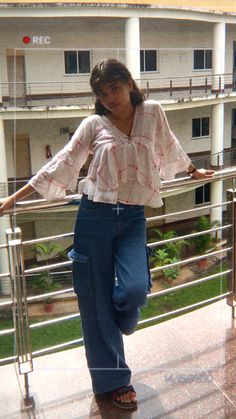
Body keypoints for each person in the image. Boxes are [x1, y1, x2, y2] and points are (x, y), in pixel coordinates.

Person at [0, 59, 214, 410]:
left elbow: (170, 146)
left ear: (129, 83)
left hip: (132, 218)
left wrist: (192, 170)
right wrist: (12, 199)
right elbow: (61, 164)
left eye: (114, 88)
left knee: (132, 291)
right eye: (102, 92)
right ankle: (113, 382)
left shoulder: (152, 111)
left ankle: (118, 322)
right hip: (93, 217)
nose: (109, 97)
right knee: (94, 304)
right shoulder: (92, 124)